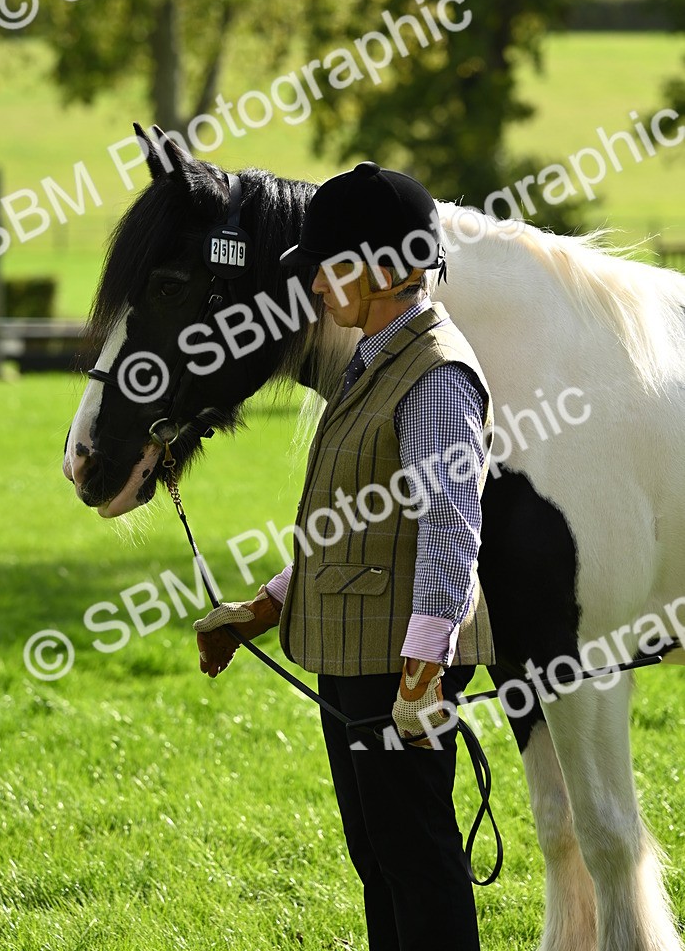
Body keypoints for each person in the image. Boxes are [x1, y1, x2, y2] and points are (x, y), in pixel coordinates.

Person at [194, 161, 494, 951]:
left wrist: (421, 676)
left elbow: (450, 531)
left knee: (418, 864)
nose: (318, 290)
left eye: (331, 270)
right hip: (363, 660)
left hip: (396, 666)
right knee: (382, 860)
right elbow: (350, 525)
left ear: (387, 271)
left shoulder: (433, 378)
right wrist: (262, 607)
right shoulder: (371, 362)